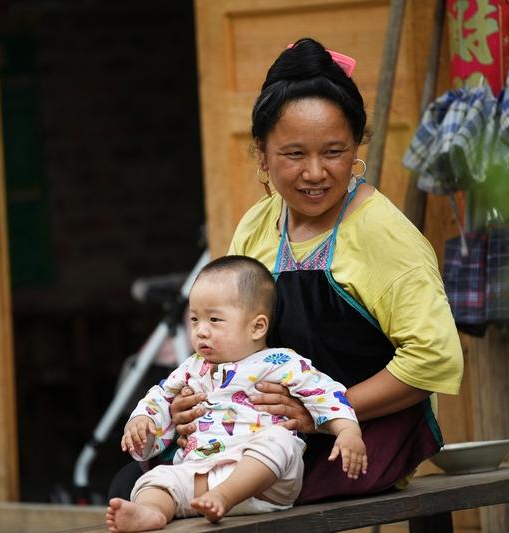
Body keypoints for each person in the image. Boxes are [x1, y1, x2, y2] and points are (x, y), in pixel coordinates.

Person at [166, 37, 464, 503]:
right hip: (265, 431)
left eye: (333, 152)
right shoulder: (257, 226)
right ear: (262, 155)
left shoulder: (383, 233)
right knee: (143, 482)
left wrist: (322, 413)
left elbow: (434, 359)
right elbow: (228, 333)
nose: (315, 173)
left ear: (356, 148)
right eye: (293, 154)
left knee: (229, 500)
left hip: (361, 438)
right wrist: (196, 401)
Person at [106, 255, 365, 532]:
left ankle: (225, 496)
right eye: (194, 319)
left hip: (265, 481)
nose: (201, 331)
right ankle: (151, 512)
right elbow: (160, 397)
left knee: (280, 441)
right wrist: (142, 420)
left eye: (215, 320)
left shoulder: (280, 362)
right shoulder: (191, 367)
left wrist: (348, 431)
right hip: (200, 475)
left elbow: (325, 393)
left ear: (257, 327)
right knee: (154, 480)